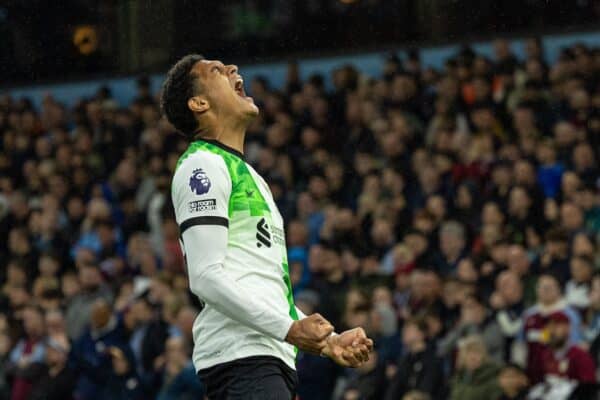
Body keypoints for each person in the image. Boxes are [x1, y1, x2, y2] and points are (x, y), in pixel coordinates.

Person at [161, 54, 373, 399]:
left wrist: (329, 343)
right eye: (217, 71)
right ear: (198, 103)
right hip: (242, 359)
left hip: (267, 359)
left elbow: (262, 285)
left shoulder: (251, 176)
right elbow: (205, 277)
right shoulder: (201, 166)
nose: (233, 69)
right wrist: (288, 330)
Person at [385, 318, 445, 400]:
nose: (404, 332)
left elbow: (425, 391)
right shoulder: (405, 360)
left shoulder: (432, 360)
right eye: (404, 329)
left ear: (421, 334)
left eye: (409, 329)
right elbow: (394, 390)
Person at [449, 334, 503, 400]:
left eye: (477, 352)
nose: (473, 357)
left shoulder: (492, 377)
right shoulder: (459, 378)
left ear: (484, 356)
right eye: (468, 352)